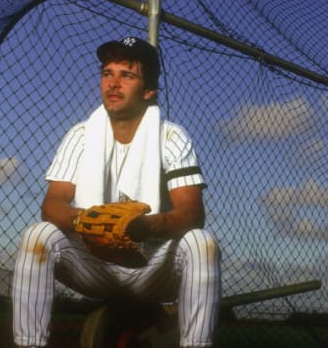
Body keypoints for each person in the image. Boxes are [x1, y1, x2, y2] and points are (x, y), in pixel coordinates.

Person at [12, 36, 222, 348]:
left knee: (201, 243)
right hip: (93, 263)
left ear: (148, 90)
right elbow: (52, 204)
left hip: (150, 265)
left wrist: (140, 226)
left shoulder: (172, 136)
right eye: (107, 73)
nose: (113, 83)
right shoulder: (80, 135)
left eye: (127, 75)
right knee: (37, 237)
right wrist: (90, 219)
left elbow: (192, 212)